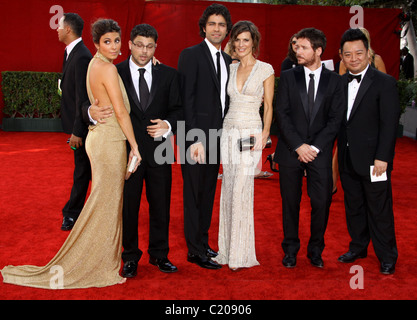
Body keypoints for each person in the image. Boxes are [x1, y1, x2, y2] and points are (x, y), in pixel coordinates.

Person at [1, 19, 141, 289]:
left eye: (116, 40)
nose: (113, 46)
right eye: (107, 41)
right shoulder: (108, 70)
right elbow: (122, 112)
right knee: (106, 204)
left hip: (100, 139)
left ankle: (102, 259)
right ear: (97, 44)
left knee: (105, 202)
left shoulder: (94, 64)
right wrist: (135, 146)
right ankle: (96, 263)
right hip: (110, 141)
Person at [86, 24, 183, 277]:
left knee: (161, 205)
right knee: (128, 206)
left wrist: (168, 124)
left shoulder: (169, 75)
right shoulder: (112, 70)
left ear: (156, 47)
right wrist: (90, 113)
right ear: (129, 44)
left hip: (160, 151)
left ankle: (160, 255)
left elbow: (178, 108)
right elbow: (91, 100)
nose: (144, 51)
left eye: (150, 46)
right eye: (139, 45)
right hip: (125, 151)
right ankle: (129, 257)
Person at [274, 28, 344, 269]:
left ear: (318, 51)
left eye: (303, 47)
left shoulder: (335, 81)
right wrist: (298, 146)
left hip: (319, 151)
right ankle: (290, 249)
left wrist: (313, 147)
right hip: (290, 150)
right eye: (296, 47)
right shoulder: (288, 76)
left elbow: (335, 119)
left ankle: (316, 250)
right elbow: (281, 115)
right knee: (290, 203)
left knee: (322, 202)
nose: (297, 51)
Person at [337, 28, 400, 275]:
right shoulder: (339, 82)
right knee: (354, 206)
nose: (353, 58)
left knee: (379, 208)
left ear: (368, 53)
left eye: (358, 53)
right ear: (341, 56)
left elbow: (389, 124)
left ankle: (387, 255)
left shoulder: (384, 83)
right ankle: (358, 247)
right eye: (348, 54)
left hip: (376, 160)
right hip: (347, 157)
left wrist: (383, 157)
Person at [213, 21, 274, 270]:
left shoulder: (265, 69)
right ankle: (226, 250)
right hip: (229, 130)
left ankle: (240, 253)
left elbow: (269, 105)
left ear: (254, 42)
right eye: (237, 39)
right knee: (228, 188)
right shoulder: (230, 67)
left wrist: (265, 134)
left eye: (245, 40)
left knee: (241, 189)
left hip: (251, 132)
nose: (240, 44)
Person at [177, 3, 233, 269]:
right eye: (212, 24)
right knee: (194, 195)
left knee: (208, 192)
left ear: (227, 30)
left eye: (222, 25)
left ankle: (203, 242)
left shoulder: (226, 60)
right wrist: (194, 139)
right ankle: (194, 251)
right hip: (197, 139)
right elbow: (186, 100)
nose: (217, 29)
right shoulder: (190, 55)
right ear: (203, 27)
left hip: (218, 138)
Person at [57, 13, 92, 231]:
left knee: (82, 171)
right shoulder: (72, 52)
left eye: (59, 26)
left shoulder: (81, 56)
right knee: (82, 169)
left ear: (68, 29)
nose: (56, 30)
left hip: (83, 128)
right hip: (77, 126)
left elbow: (83, 97)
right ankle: (75, 210)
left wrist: (78, 131)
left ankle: (73, 213)